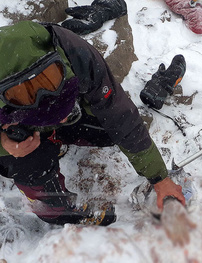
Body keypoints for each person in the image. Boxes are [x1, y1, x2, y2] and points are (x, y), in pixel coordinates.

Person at [0, 20, 185, 226]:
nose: (63, 120)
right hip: (16, 137)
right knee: (36, 177)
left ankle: (55, 136)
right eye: (57, 120)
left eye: (66, 114)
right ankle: (62, 212)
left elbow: (120, 115)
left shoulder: (73, 51)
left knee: (109, 130)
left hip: (25, 117)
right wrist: (4, 144)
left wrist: (159, 178)